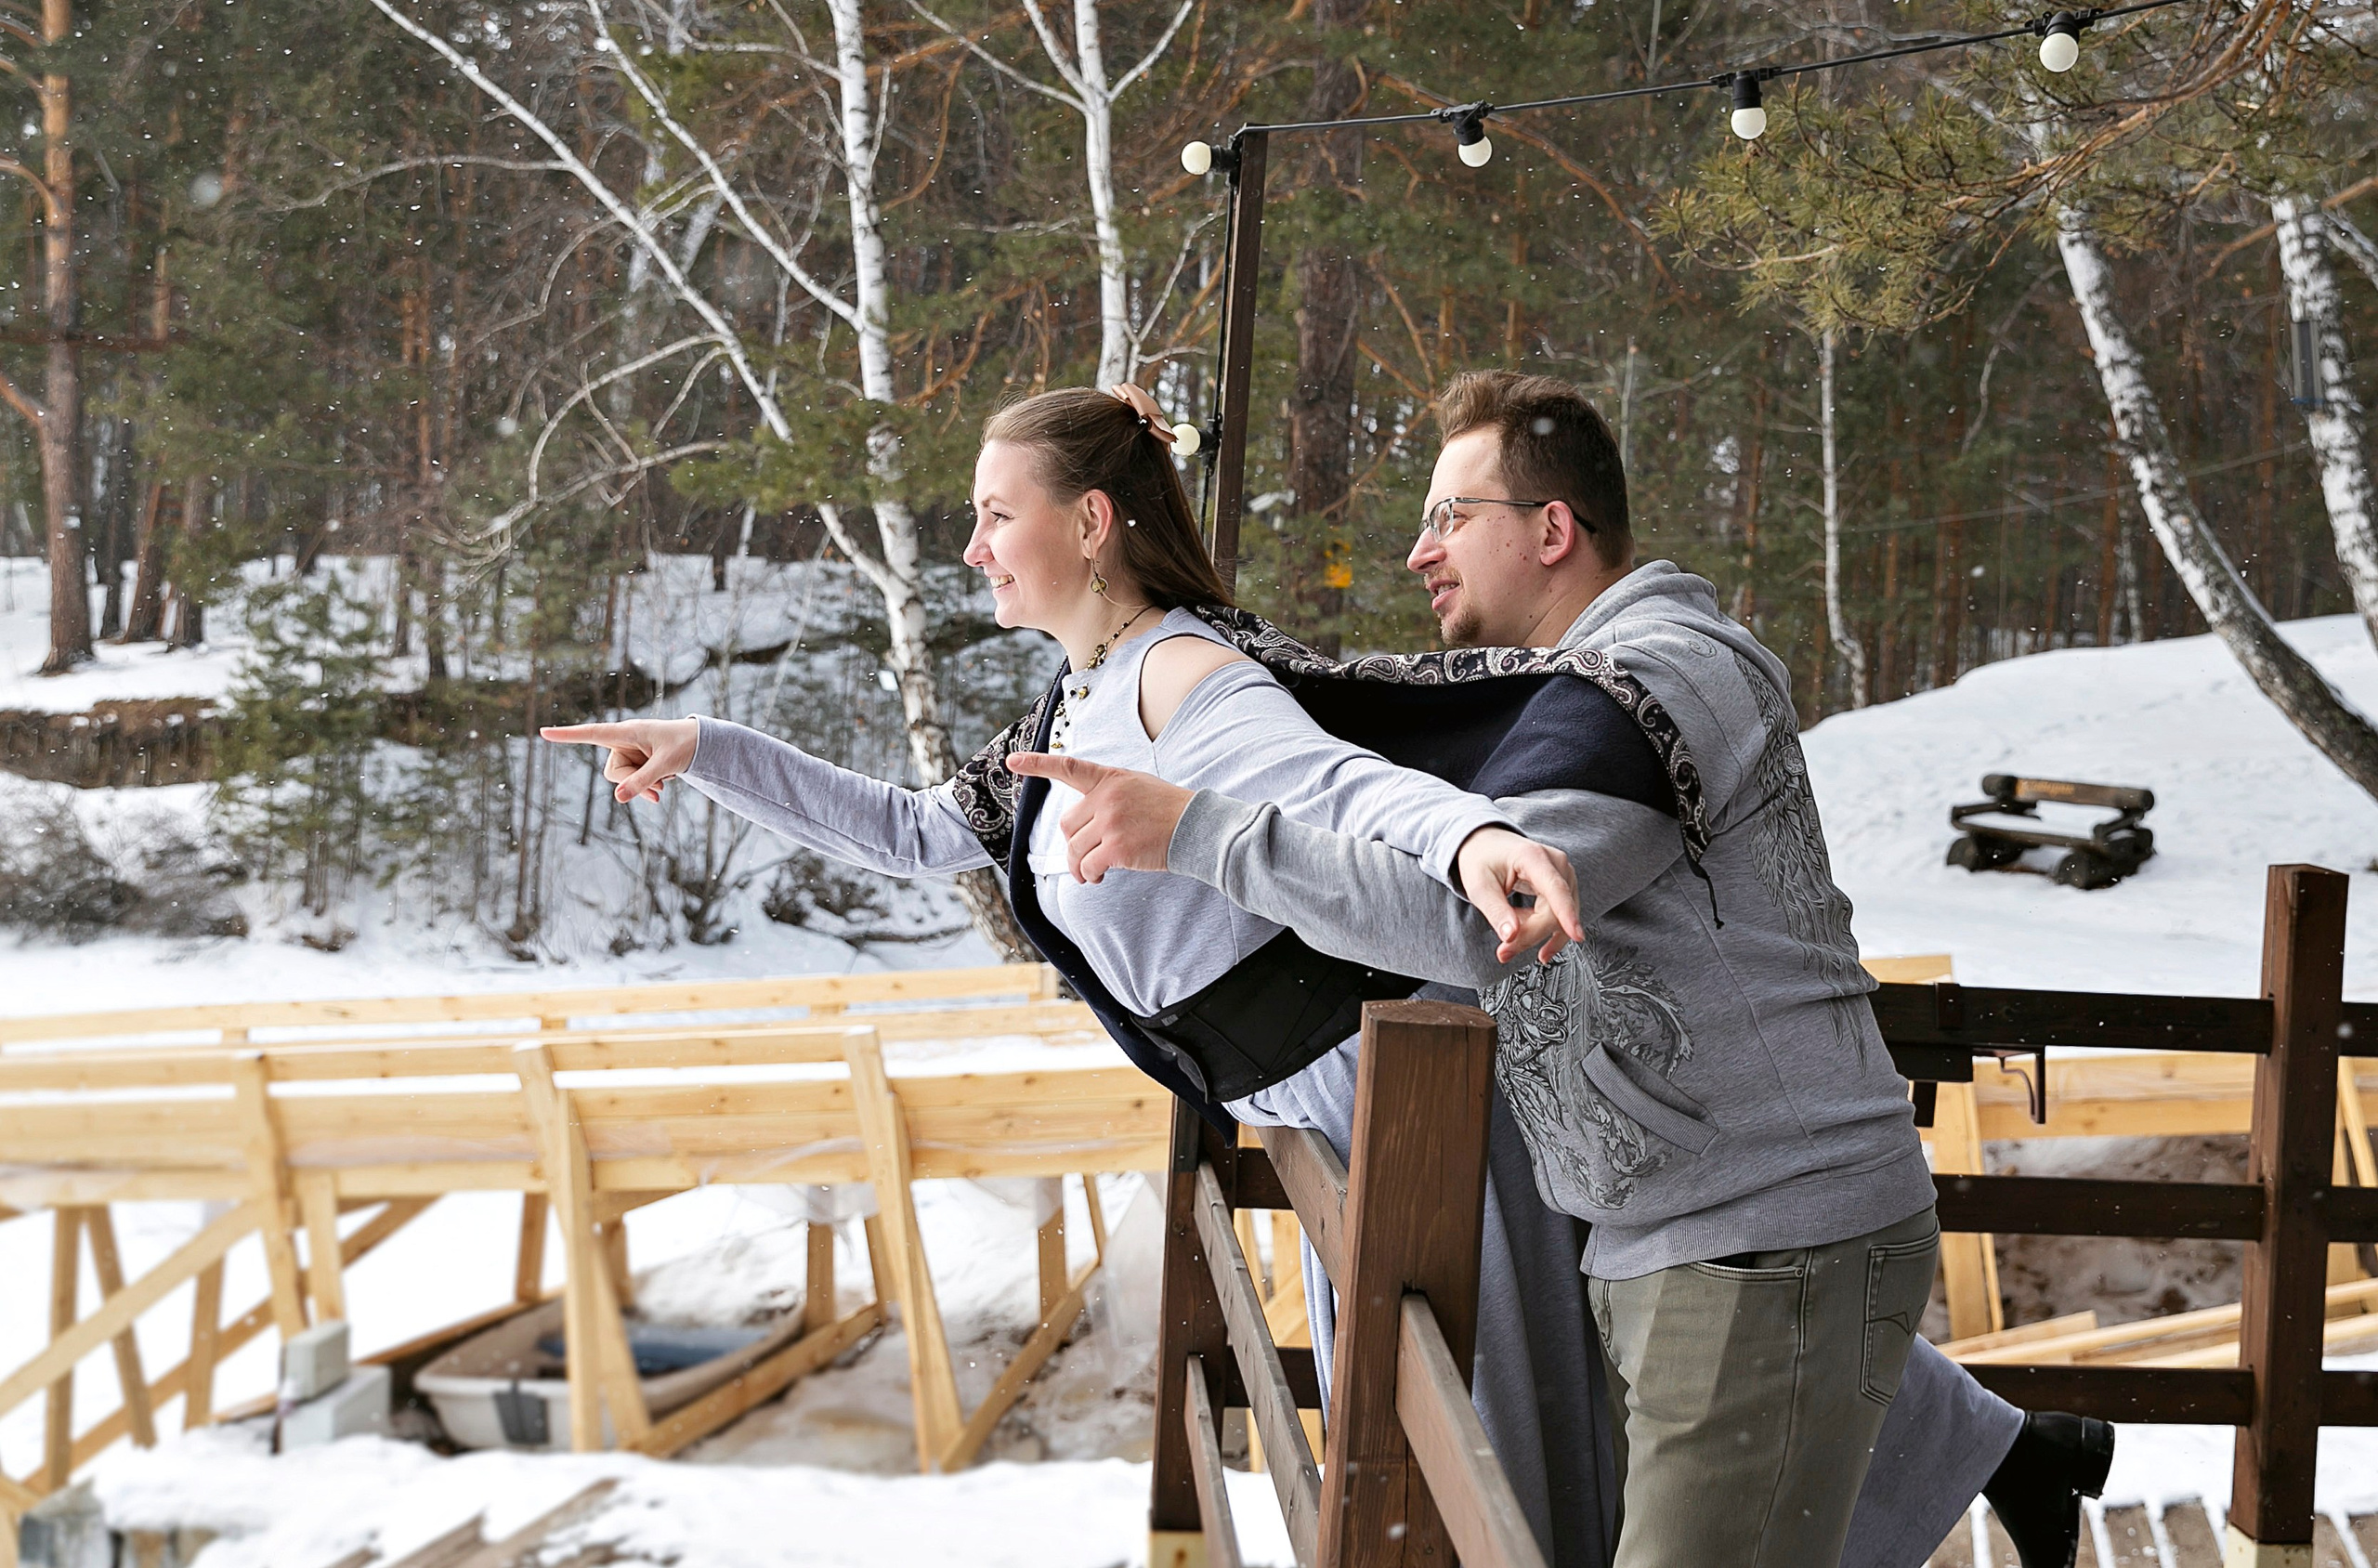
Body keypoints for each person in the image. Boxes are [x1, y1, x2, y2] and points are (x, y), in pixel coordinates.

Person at [1008, 372, 2115, 1568]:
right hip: (1674, 1224)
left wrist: (1201, 835)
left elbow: (1487, 915)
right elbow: (1353, 730)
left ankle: (2006, 1451)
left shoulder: (1650, 685)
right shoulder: (1566, 688)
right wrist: (1118, 462)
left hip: (1757, 1237)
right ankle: (2015, 1451)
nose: (1419, 550)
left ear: (1550, 528)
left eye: (1450, 515)